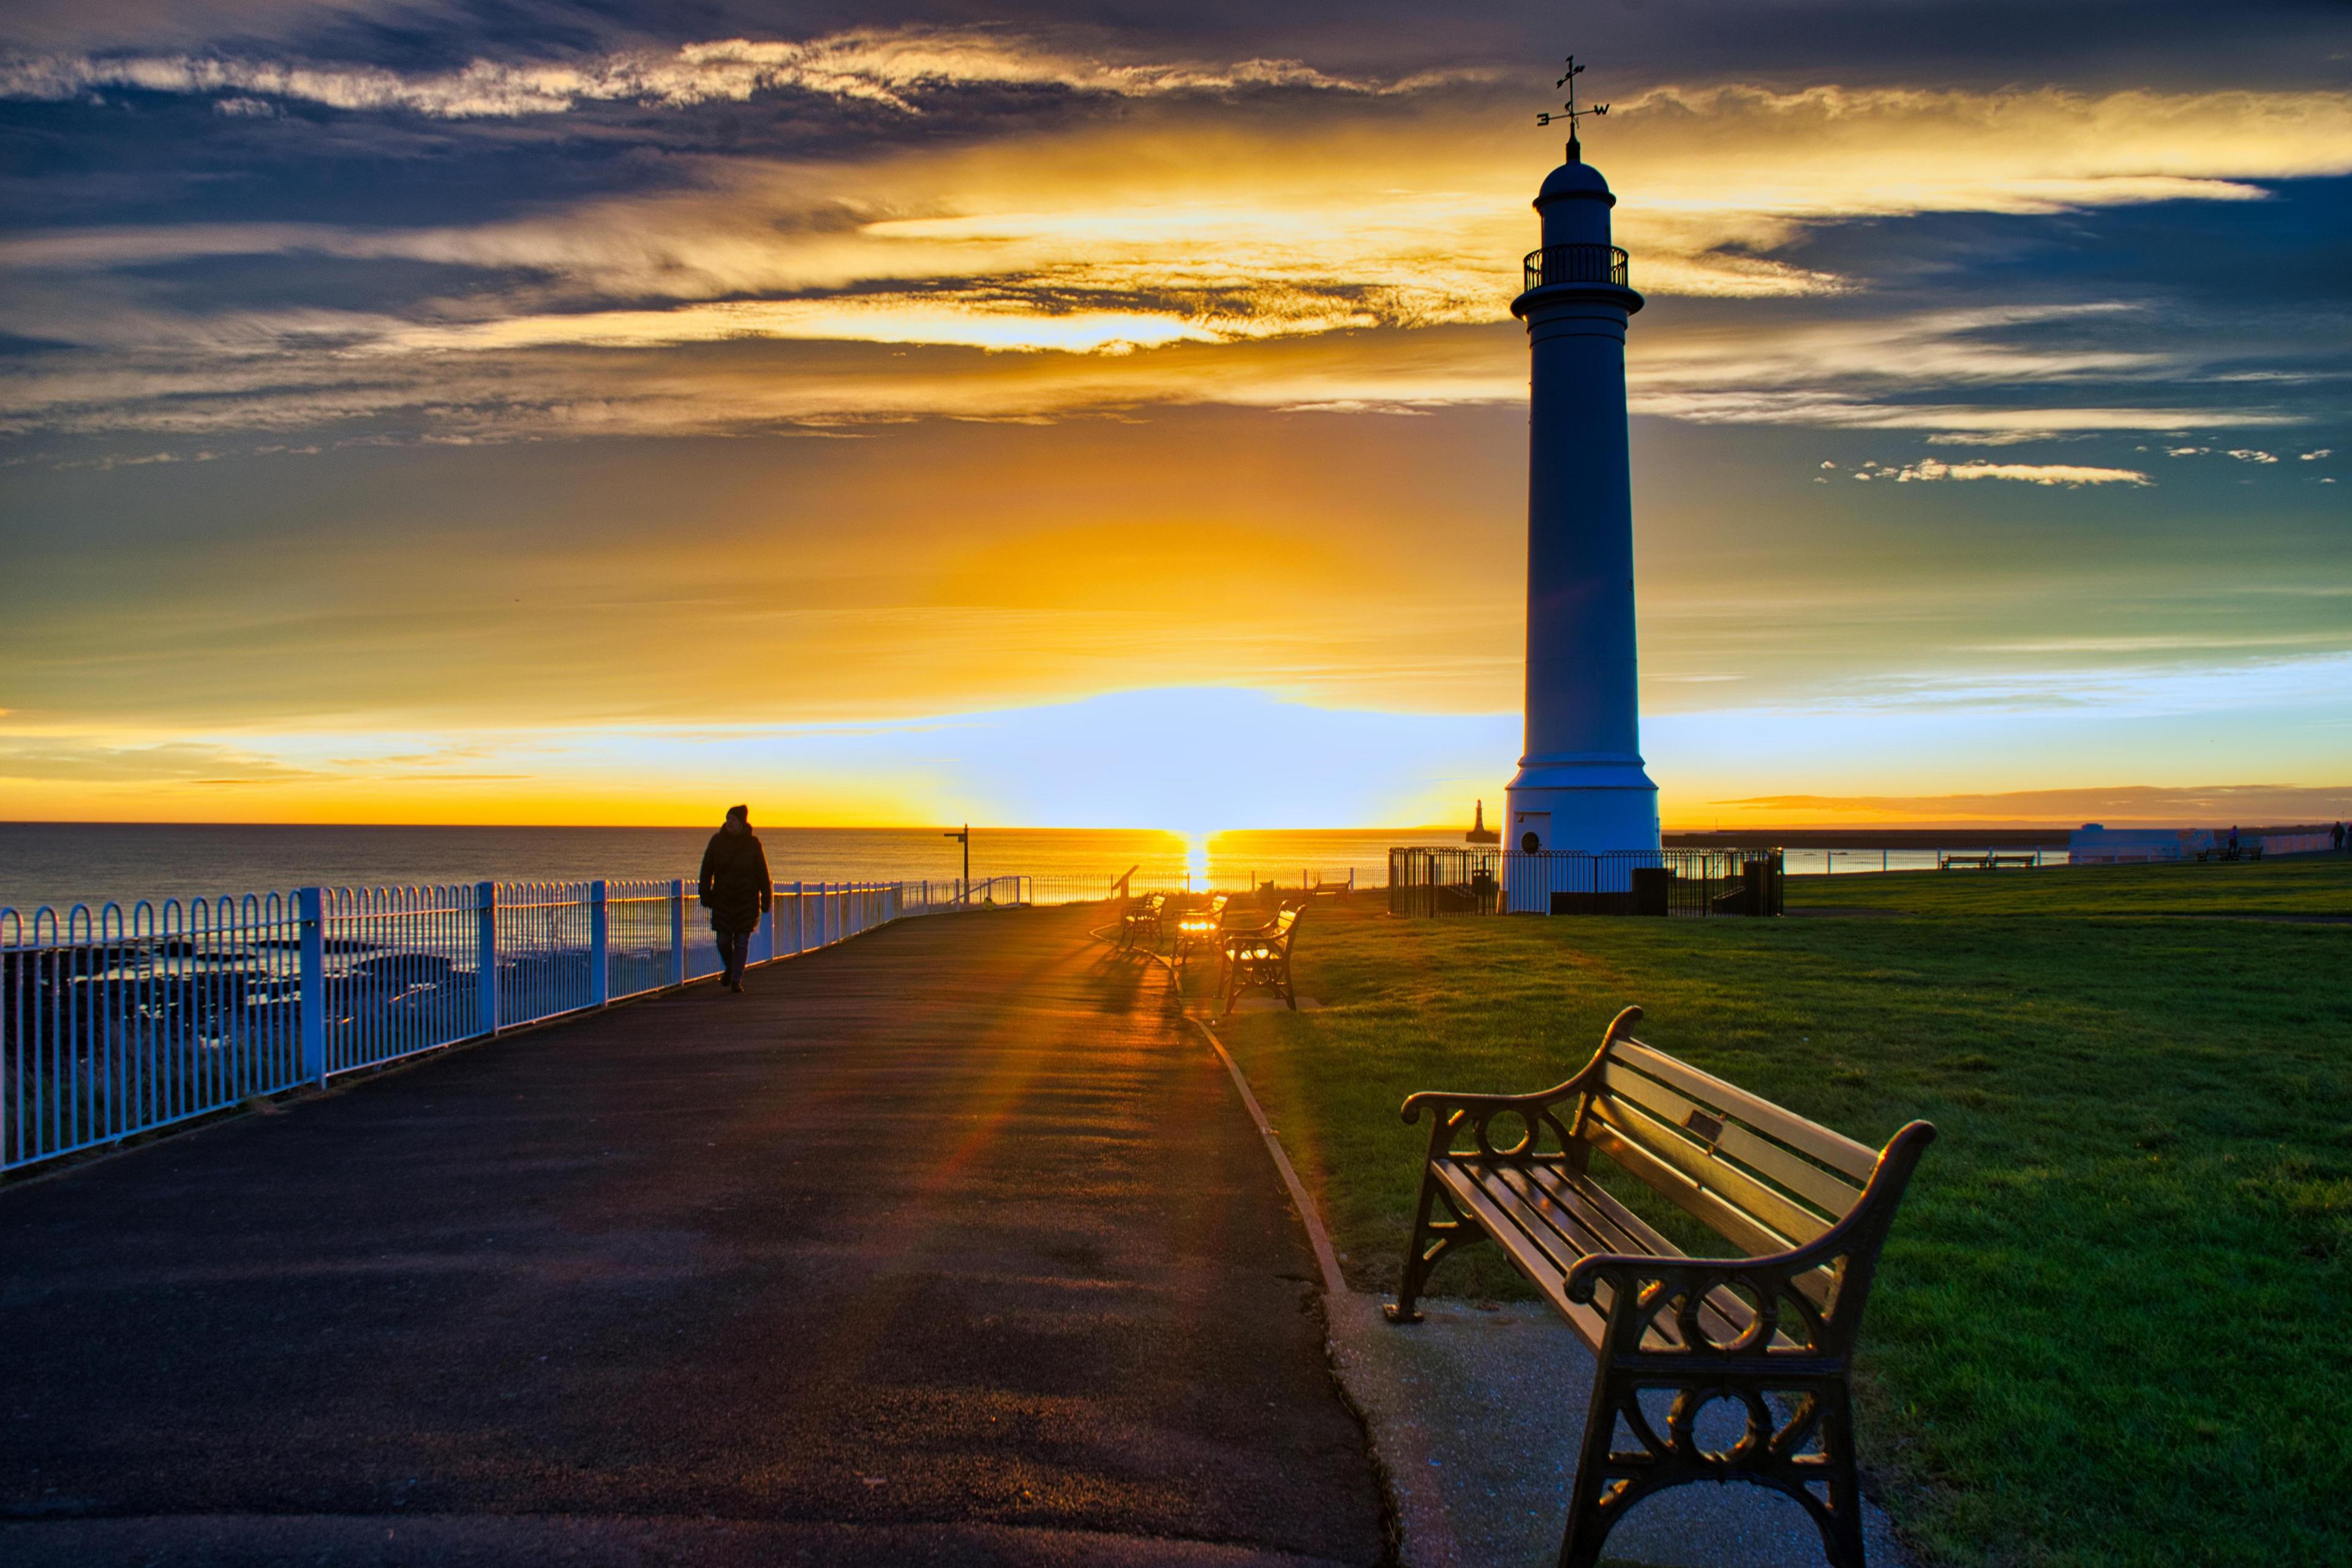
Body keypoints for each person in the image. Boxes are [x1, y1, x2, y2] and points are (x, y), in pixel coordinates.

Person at [698, 804, 772, 993]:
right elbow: (707, 870)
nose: (729, 822)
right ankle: (731, 968)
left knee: (741, 941)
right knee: (723, 941)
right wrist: (705, 893)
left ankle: (736, 980)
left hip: (746, 901)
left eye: (733, 819)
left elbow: (762, 873)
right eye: (728, 818)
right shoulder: (717, 842)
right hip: (722, 900)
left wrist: (766, 899)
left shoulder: (753, 845)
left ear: (741, 823)